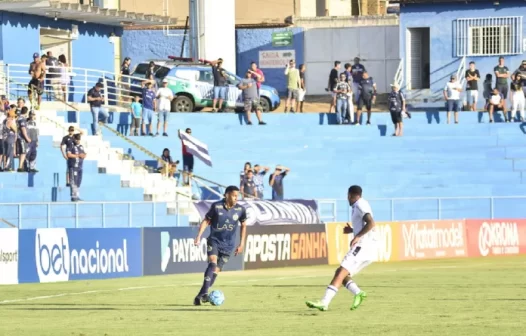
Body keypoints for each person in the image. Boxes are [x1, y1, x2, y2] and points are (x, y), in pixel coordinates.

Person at [306, 185, 377, 312]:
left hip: (362, 246)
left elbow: (371, 223)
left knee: (340, 272)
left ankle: (324, 302)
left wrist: (357, 236)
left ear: (349, 195)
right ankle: (358, 293)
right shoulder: (360, 205)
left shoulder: (360, 205)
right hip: (366, 246)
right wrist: (353, 230)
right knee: (342, 273)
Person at [193, 185, 247, 305]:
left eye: (237, 196)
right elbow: (206, 221)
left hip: (229, 245)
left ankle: (201, 295)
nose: (235, 198)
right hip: (214, 241)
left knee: (216, 271)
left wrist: (242, 243)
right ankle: (205, 293)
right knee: (212, 264)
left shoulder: (240, 210)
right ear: (226, 195)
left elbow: (243, 225)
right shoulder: (216, 206)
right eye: (233, 195)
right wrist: (199, 236)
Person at [67, 133, 86, 202]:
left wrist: (83, 155)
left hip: (80, 167)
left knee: (78, 182)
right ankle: (74, 196)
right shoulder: (70, 146)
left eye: (79, 140)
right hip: (73, 166)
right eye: (77, 139)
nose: (78, 141)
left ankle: (77, 196)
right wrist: (78, 155)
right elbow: (69, 155)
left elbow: (84, 154)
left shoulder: (81, 146)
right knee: (73, 181)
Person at [16, 107, 31, 172]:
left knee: (22, 152)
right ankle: (20, 167)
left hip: (19, 137)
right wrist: (27, 138)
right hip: (21, 138)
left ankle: (21, 166)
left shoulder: (19, 118)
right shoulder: (22, 119)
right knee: (23, 152)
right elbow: (23, 129)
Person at [3, 107, 17, 172]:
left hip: (7, 138)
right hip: (10, 138)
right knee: (9, 153)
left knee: (7, 153)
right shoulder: (9, 121)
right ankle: (8, 167)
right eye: (13, 116)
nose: (14, 117)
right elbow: (15, 129)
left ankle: (7, 166)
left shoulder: (5, 120)